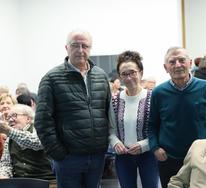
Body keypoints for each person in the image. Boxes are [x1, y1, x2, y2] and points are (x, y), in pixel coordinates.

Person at [34, 30, 111, 188]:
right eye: (75, 45)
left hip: (97, 156)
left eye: (85, 46)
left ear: (90, 48)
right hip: (68, 158)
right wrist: (58, 153)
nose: (80, 50)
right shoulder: (51, 78)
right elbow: (42, 121)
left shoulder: (101, 75)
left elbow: (107, 112)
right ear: (66, 47)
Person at [148, 47, 206, 188]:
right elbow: (152, 124)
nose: (177, 65)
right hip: (168, 159)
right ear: (166, 68)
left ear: (189, 63)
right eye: (172, 62)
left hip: (202, 159)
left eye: (182, 60)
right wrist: (155, 147)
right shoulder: (158, 93)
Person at [109, 50, 159, 188]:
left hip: (148, 154)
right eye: (124, 74)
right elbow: (111, 129)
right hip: (123, 155)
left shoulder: (153, 98)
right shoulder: (114, 100)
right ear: (119, 76)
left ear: (141, 72)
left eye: (132, 72)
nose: (129, 77)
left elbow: (160, 129)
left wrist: (144, 145)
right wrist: (115, 143)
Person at [0, 104, 55, 187]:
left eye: (14, 115)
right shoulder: (9, 138)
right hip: (19, 182)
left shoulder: (38, 129)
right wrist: (4, 176)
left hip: (47, 181)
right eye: (8, 117)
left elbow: (36, 143)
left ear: (28, 118)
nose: (10, 120)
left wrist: (9, 131)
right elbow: (6, 164)